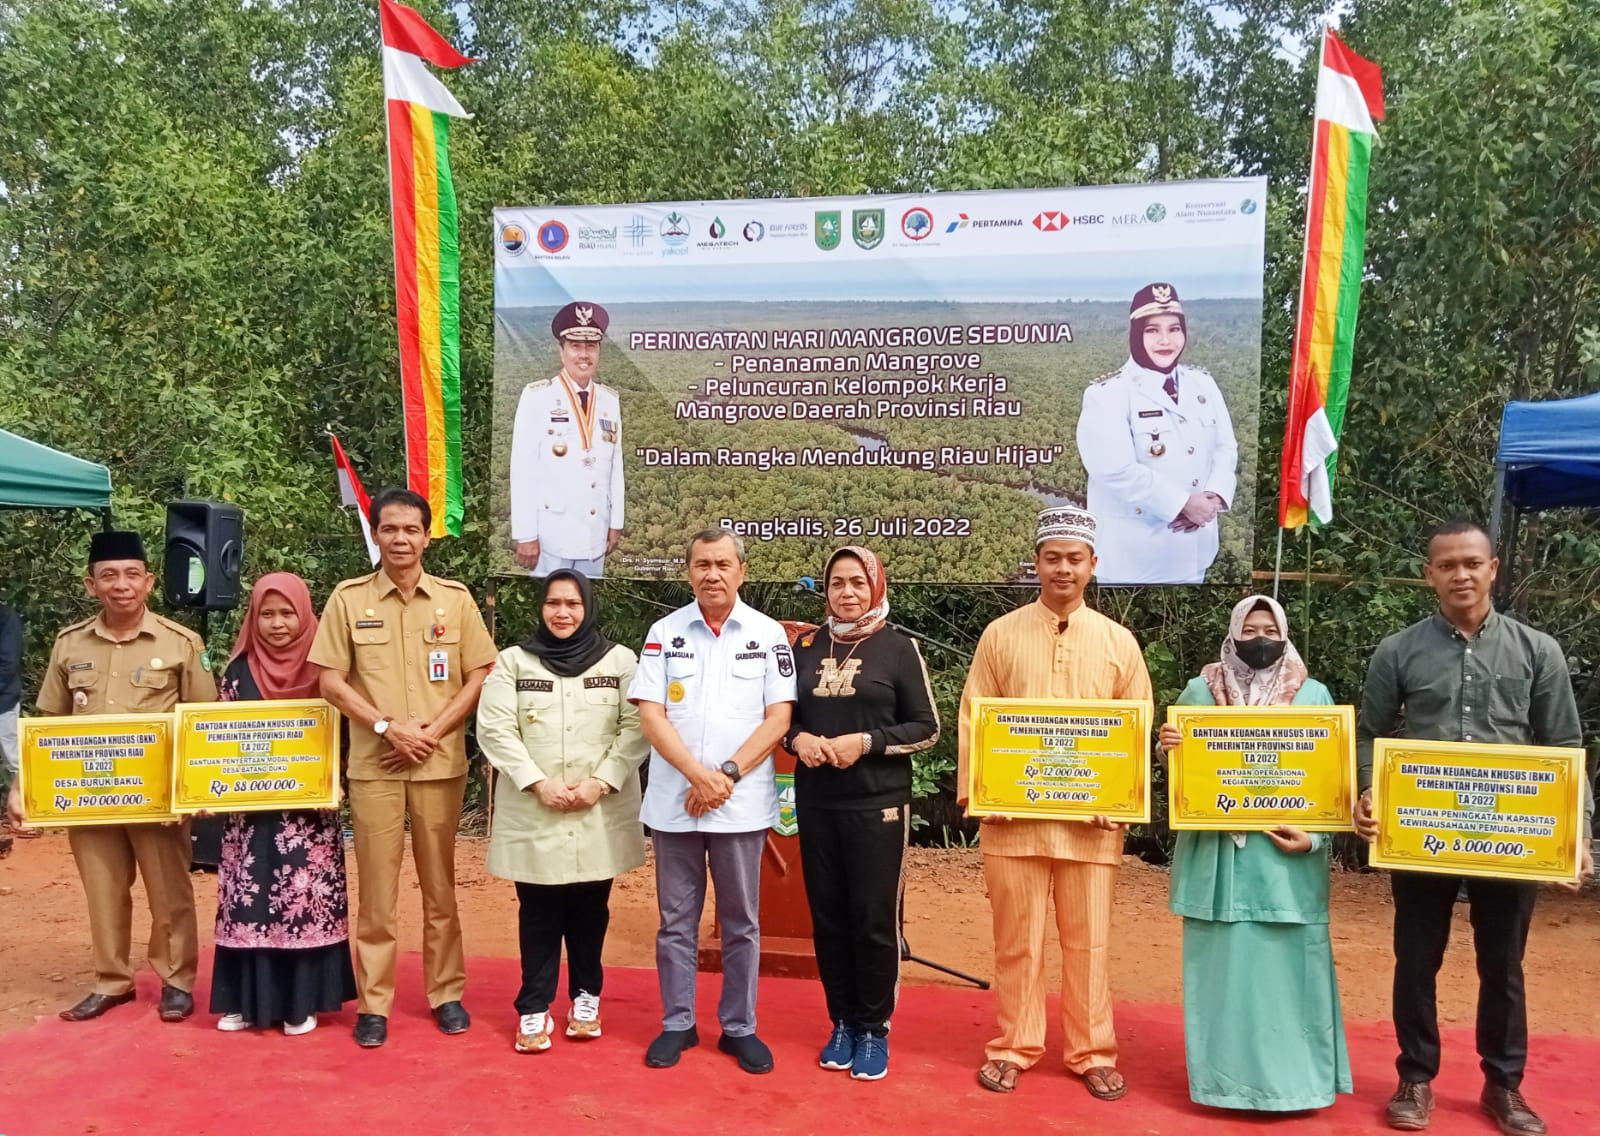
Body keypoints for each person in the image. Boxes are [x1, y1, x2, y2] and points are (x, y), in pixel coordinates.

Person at [1354, 521, 1595, 1136]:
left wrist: (1578, 834)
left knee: (1503, 964)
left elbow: (1564, 745)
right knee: (1416, 957)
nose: (1460, 574)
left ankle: (1504, 1086)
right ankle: (1415, 1078)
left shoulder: (1536, 650)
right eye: (1447, 564)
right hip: (1420, 830)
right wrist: (1364, 791)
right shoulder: (1398, 650)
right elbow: (1368, 734)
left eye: (1472, 563)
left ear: (1494, 568)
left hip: (1510, 836)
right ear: (1428, 574)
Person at [958, 506, 1153, 1098]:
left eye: (1074, 558)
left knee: (1088, 941)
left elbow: (1136, 727)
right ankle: (1014, 1045)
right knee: (1016, 938)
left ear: (1093, 565)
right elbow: (974, 717)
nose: (1062, 569)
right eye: (1052, 558)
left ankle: (1092, 1050)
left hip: (1091, 826)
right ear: (1036, 563)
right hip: (1012, 820)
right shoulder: (1001, 634)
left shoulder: (1119, 642)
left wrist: (1119, 799)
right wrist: (981, 792)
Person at [309, 487, 497, 1049]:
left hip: (439, 766)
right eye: (389, 529)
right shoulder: (348, 600)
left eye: (411, 529)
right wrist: (390, 728)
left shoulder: (455, 600)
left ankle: (446, 993)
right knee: (378, 891)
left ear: (426, 535)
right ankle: (375, 1002)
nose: (401, 539)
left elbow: (479, 674)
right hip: (376, 765)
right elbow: (330, 681)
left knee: (441, 890)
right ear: (376, 534)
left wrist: (431, 733)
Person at [7, 531, 216, 1022]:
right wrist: (23, 788)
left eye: (130, 575)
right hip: (90, 795)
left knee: (169, 892)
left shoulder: (182, 644)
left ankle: (176, 981)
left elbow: (203, 725)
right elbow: (48, 728)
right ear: (90, 585)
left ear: (149, 582)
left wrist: (194, 791)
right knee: (102, 889)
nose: (120, 585)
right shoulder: (69, 644)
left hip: (159, 797)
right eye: (108, 576)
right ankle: (112, 980)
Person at [1156, 595, 1352, 1112]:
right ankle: (1224, 1087)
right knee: (1221, 977)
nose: (1260, 637)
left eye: (1270, 628)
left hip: (1285, 862)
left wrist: (1317, 839)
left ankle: (1297, 1087)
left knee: (1290, 977)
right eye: (1250, 628)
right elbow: (1180, 778)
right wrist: (1168, 748)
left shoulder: (1314, 697)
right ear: (1232, 634)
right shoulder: (1201, 692)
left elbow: (1333, 783)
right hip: (1217, 863)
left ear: (1285, 633)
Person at [627, 526, 796, 1075]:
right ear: (689, 571)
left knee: (742, 921)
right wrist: (696, 776)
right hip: (677, 800)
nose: (713, 574)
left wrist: (722, 776)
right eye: (702, 564)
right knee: (676, 920)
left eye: (723, 564)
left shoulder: (768, 635)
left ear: (741, 571)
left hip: (739, 801)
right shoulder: (664, 632)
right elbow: (651, 714)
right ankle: (678, 1021)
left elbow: (780, 718)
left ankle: (739, 1027)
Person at [476, 570, 648, 1054]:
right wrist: (538, 782)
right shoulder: (512, 662)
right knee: (538, 912)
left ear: (587, 607)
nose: (563, 613)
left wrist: (602, 781)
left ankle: (586, 996)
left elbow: (637, 726)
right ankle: (533, 1007)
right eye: (553, 603)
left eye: (572, 603)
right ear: (542, 608)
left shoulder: (620, 661)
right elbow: (495, 729)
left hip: (598, 809)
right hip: (537, 809)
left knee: (591, 910)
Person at [786, 546, 940, 1081]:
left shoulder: (899, 648)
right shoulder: (805, 647)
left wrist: (867, 742)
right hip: (818, 803)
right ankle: (843, 1021)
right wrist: (797, 737)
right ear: (824, 590)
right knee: (828, 920)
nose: (846, 592)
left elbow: (927, 727)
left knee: (873, 921)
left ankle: (875, 1028)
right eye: (836, 583)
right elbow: (781, 718)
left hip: (877, 807)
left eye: (857, 582)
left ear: (875, 587)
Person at [209, 573, 357, 1035]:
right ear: (253, 617)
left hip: (309, 817)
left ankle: (300, 1002)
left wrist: (338, 783)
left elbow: (346, 736)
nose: (277, 624)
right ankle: (246, 1001)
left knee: (302, 901)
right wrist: (206, 787)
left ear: (305, 614)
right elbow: (217, 739)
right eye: (266, 614)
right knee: (247, 900)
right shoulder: (236, 672)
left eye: (287, 613)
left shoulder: (326, 672)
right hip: (249, 819)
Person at [1076, 282, 1238, 585]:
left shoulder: (1203, 384)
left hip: (1195, 550)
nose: (1165, 340)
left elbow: (1225, 448)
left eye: (1174, 329)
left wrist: (1213, 497)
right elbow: (1114, 470)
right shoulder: (1108, 394)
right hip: (1133, 559)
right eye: (1152, 331)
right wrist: (1181, 504)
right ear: (1136, 334)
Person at [509, 300, 625, 578]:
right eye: (575, 345)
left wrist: (615, 522)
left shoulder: (609, 400)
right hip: (551, 536)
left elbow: (615, 467)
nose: (583, 355)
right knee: (552, 612)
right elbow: (522, 470)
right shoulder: (538, 397)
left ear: (599, 351)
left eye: (591, 346)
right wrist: (525, 534)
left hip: (594, 534)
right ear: (561, 351)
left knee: (587, 609)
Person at [0, 602, 21, 856]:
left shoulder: (5, 616)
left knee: (16, 760)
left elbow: (7, 663)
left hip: (3, 701)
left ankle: (26, 813)